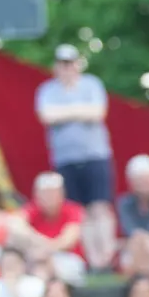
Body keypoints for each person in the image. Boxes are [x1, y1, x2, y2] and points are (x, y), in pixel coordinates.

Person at [36, 44, 117, 272]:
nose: (67, 68)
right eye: (62, 64)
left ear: (77, 65)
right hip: (66, 160)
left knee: (100, 207)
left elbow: (98, 113)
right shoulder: (47, 90)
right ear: (56, 66)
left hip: (95, 156)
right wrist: (80, 110)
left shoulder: (92, 84)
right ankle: (93, 260)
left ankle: (107, 257)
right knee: (79, 212)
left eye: (70, 63)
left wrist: (65, 112)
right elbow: (47, 116)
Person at [20, 172, 89, 285]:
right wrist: (40, 244)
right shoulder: (31, 209)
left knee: (43, 267)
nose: (48, 197)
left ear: (62, 193)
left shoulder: (74, 210)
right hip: (38, 259)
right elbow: (15, 226)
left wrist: (43, 249)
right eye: (44, 193)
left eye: (52, 193)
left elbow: (67, 242)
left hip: (68, 259)